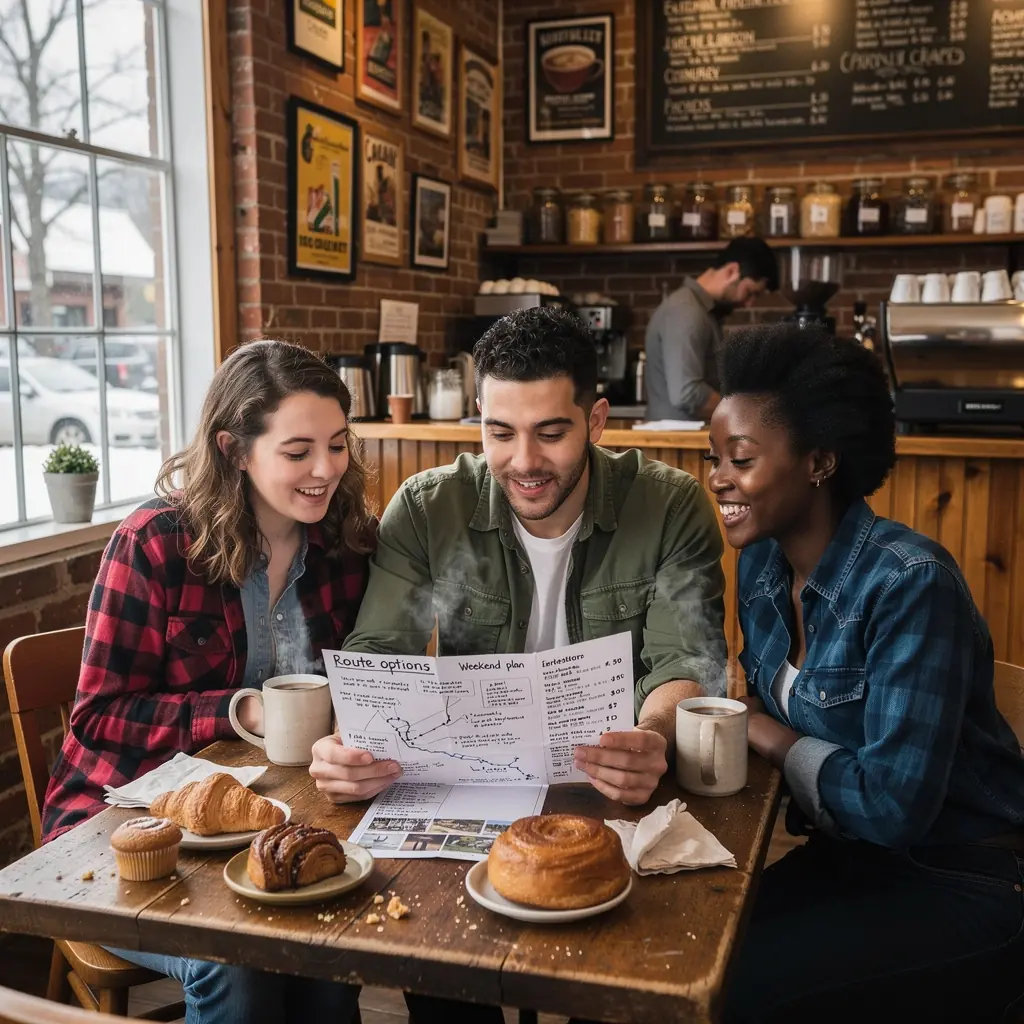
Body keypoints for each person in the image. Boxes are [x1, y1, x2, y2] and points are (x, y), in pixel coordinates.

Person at [41, 340, 374, 1024]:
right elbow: (99, 717)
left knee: (329, 951)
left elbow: (365, 676)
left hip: (274, 819)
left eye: (338, 445)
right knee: (239, 960)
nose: (325, 470)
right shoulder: (155, 543)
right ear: (233, 449)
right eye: (298, 451)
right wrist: (234, 710)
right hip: (119, 830)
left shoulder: (346, 543)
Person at [704, 324, 1024, 1023]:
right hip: (855, 863)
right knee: (683, 963)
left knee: (728, 996)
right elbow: (759, 700)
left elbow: (890, 806)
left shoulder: (910, 584)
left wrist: (762, 731)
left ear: (819, 461)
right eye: (714, 457)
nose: (718, 477)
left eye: (742, 458)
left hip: (963, 877)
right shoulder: (761, 565)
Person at [310, 304, 728, 811]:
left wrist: (654, 736)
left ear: (595, 421)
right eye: (500, 433)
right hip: (470, 783)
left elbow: (683, 661)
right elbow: (378, 652)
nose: (525, 461)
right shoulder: (427, 508)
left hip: (617, 787)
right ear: (480, 414)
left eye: (551, 434)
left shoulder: (670, 505)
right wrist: (350, 742)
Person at [644, 237, 778, 423]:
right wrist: (743, 412)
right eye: (750, 292)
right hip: (677, 442)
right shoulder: (686, 311)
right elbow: (687, 393)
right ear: (732, 271)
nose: (749, 304)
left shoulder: (700, 311)